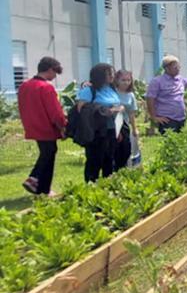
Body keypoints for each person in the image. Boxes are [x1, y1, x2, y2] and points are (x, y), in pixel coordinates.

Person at [17, 57, 67, 197]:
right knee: (49, 153)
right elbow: (55, 111)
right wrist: (63, 125)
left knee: (47, 152)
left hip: (32, 125)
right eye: (55, 72)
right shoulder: (46, 87)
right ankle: (37, 181)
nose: (55, 76)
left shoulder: (24, 86)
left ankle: (40, 187)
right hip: (46, 126)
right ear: (50, 69)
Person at [77, 63, 123, 182]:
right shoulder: (89, 90)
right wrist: (107, 111)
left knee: (109, 158)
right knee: (95, 160)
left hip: (112, 128)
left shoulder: (111, 89)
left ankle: (106, 184)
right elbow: (82, 109)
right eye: (108, 74)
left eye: (112, 73)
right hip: (96, 131)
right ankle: (91, 185)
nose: (112, 76)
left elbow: (116, 105)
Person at [146, 55, 187, 134]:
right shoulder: (157, 81)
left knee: (180, 141)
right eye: (175, 67)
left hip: (181, 118)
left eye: (178, 67)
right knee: (171, 143)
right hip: (167, 119)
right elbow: (150, 99)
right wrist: (154, 117)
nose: (178, 69)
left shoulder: (180, 79)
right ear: (167, 68)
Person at [113, 70, 138, 171]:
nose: (126, 82)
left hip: (125, 126)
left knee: (126, 150)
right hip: (112, 126)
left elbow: (131, 113)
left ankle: (124, 170)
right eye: (123, 80)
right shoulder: (112, 92)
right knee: (114, 150)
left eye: (128, 80)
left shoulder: (130, 95)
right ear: (117, 80)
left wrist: (134, 129)